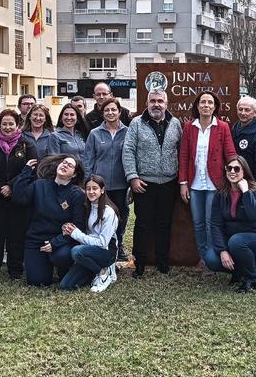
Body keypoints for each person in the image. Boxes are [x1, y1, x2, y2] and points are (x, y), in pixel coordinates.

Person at [122, 89, 183, 278]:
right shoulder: (137, 124)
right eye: (153, 101)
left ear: (166, 103)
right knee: (143, 224)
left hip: (168, 182)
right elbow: (128, 151)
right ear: (147, 103)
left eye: (160, 101)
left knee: (164, 224)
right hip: (144, 183)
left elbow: (181, 151)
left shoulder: (175, 124)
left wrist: (181, 180)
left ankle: (162, 261)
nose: (156, 104)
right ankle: (139, 263)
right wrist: (132, 177)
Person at [179, 91, 237, 268]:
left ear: (215, 107)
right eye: (202, 102)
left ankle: (213, 257)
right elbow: (183, 155)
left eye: (210, 103)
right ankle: (204, 257)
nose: (206, 105)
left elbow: (230, 153)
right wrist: (183, 183)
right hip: (195, 184)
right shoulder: (189, 127)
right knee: (197, 222)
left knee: (212, 222)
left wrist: (235, 177)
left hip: (215, 184)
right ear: (197, 106)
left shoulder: (223, 127)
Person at [0, 109, 38, 281]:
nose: (7, 127)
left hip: (18, 197)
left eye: (10, 123)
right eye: (4, 123)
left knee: (16, 234)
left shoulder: (27, 145)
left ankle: (15, 269)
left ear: (17, 125)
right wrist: (1, 187)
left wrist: (12, 186)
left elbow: (32, 168)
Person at [12, 155, 87, 286]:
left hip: (61, 241)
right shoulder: (39, 185)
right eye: (64, 162)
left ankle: (65, 270)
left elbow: (78, 226)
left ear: (74, 174)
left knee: (61, 256)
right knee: (37, 282)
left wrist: (55, 243)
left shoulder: (76, 194)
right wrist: (26, 171)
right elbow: (18, 198)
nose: (65, 165)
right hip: (37, 240)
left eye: (70, 165)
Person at [204, 156, 256, 293]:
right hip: (233, 241)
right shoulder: (221, 193)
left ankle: (251, 278)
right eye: (229, 168)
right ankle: (241, 270)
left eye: (237, 168)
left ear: (244, 171)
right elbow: (215, 224)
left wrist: (246, 192)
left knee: (237, 242)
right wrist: (222, 251)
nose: (232, 172)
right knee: (211, 258)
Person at [83, 98, 130, 262]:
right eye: (106, 110)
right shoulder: (95, 133)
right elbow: (88, 159)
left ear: (119, 111)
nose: (110, 113)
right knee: (99, 215)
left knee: (121, 215)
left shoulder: (128, 132)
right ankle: (101, 245)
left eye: (113, 110)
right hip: (100, 186)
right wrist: (87, 183)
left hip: (121, 184)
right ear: (102, 113)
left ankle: (119, 244)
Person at [59, 175, 120, 292]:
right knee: (66, 285)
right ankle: (94, 271)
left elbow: (102, 243)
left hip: (106, 252)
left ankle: (103, 273)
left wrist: (76, 233)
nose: (91, 192)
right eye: (88, 188)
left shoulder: (108, 212)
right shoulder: (87, 207)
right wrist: (68, 228)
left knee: (76, 251)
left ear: (102, 190)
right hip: (88, 251)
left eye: (95, 188)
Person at [231, 96, 256, 189]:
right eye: (240, 109)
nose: (243, 113)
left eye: (247, 110)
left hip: (251, 184)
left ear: (255, 113)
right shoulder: (234, 129)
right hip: (234, 182)